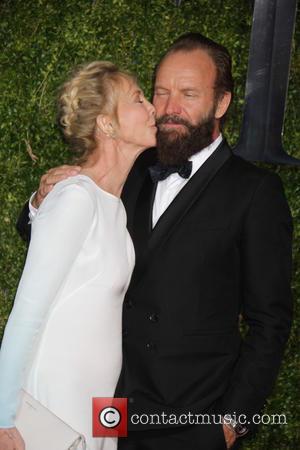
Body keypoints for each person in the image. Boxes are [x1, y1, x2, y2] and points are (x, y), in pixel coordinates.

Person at [16, 33, 293, 450]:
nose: (168, 109)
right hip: (105, 409)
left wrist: (232, 422)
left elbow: (270, 321)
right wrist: (40, 201)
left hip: (189, 422)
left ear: (221, 103)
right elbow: (51, 241)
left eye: (188, 94)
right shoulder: (128, 162)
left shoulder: (255, 191)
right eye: (160, 92)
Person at [0, 60, 156, 450]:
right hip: (56, 399)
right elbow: (27, 311)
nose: (152, 106)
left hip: (100, 402)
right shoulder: (75, 197)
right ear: (107, 124)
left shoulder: (115, 207)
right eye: (138, 99)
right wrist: (2, 417)